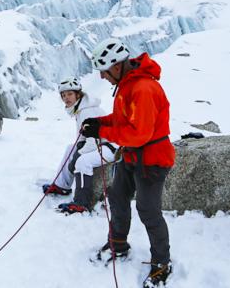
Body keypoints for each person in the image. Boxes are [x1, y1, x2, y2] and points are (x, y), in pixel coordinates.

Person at [83, 38, 175, 287]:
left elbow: (139, 133)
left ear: (115, 66)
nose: (102, 77)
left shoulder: (143, 88)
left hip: (152, 159)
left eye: (103, 71)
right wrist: (101, 123)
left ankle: (161, 263)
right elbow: (123, 119)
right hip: (134, 155)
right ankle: (118, 243)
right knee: (117, 195)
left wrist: (102, 132)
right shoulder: (127, 85)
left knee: (148, 209)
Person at [42, 77, 115, 214]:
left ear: (78, 94)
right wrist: (76, 153)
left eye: (69, 94)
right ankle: (62, 185)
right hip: (102, 145)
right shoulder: (81, 109)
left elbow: (93, 143)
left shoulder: (87, 111)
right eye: (63, 95)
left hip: (110, 147)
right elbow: (83, 138)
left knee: (82, 162)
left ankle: (82, 203)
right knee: (70, 148)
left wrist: (77, 158)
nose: (66, 98)